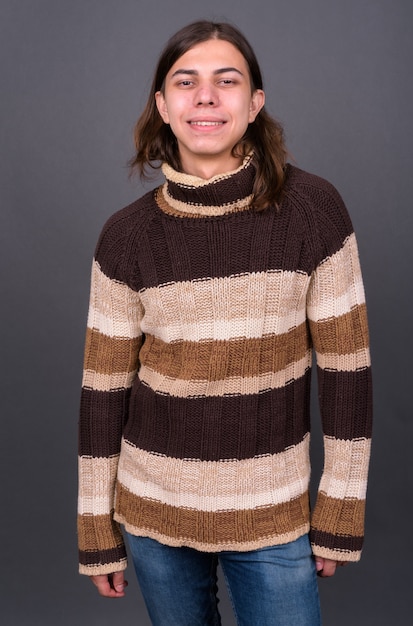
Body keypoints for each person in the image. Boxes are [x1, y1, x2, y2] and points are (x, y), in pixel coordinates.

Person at [78, 20, 372, 626]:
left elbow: (347, 371)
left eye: (226, 81)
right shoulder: (126, 236)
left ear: (255, 102)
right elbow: (102, 392)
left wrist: (340, 508)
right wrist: (94, 527)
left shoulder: (314, 212)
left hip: (272, 513)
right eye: (185, 82)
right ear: (162, 105)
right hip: (155, 514)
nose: (205, 97)